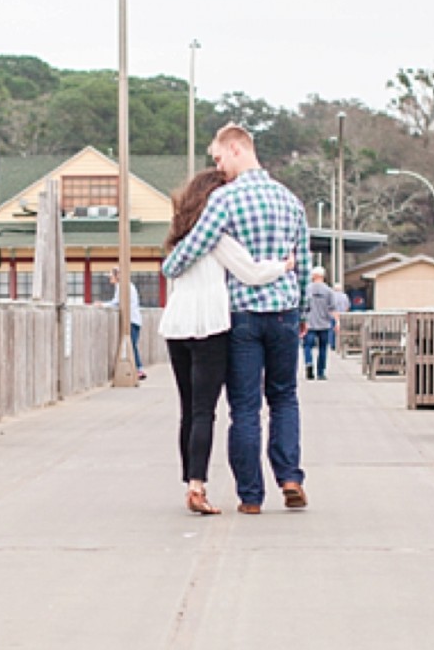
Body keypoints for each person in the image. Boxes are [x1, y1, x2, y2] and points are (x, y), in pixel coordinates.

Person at [161, 124, 311, 514]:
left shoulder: (225, 200)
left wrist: (173, 261)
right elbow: (305, 261)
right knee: (284, 398)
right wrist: (302, 309)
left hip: (242, 315)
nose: (219, 166)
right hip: (284, 312)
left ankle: (251, 496)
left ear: (235, 149)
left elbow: (187, 252)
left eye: (218, 158)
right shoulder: (291, 200)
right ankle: (290, 476)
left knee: (244, 407)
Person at [98, 266, 145, 380]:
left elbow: (117, 302)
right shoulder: (129, 285)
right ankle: (137, 368)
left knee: (131, 345)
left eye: (111, 276)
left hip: (131, 319)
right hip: (135, 319)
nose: (110, 279)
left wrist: (102, 305)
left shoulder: (123, 286)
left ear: (117, 276)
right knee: (132, 344)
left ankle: (138, 369)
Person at [300, 265, 340, 380]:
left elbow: (303, 306)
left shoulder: (307, 289)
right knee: (323, 347)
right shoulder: (329, 291)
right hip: (324, 323)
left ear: (313, 276)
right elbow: (333, 308)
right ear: (323, 276)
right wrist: (337, 322)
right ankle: (321, 372)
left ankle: (308, 363)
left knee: (307, 345)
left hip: (309, 323)